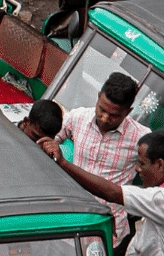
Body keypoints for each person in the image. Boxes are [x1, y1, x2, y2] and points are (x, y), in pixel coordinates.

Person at [54, 72, 150, 246]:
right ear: (98, 97)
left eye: (114, 115)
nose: (105, 118)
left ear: (128, 112)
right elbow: (50, 137)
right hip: (71, 224)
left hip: (108, 235)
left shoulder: (141, 138)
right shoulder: (78, 118)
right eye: (102, 109)